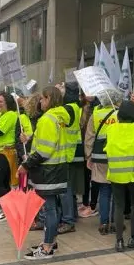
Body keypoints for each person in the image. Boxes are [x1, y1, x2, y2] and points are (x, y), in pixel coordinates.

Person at [20, 87, 68, 260]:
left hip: (48, 170)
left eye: (42, 99)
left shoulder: (47, 119)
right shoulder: (60, 118)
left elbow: (45, 149)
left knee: (49, 209)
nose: (40, 102)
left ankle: (47, 247)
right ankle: (51, 242)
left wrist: (27, 164)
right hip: (58, 167)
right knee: (53, 207)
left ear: (49, 99)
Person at [104, 100, 134, 252]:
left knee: (119, 205)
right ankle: (133, 238)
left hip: (116, 173)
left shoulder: (110, 129)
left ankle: (119, 241)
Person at [84, 89, 123, 235]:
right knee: (115, 191)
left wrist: (89, 156)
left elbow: (89, 137)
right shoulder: (120, 114)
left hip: (99, 156)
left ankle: (103, 222)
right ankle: (114, 222)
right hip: (116, 156)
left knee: (104, 191)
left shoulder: (96, 114)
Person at [55, 82, 84, 234]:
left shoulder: (68, 108)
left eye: (62, 88)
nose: (59, 89)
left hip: (66, 153)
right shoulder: (74, 107)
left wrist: (56, 96)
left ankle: (68, 220)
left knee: (64, 189)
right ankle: (71, 215)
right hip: (70, 151)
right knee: (68, 188)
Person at [0, 93, 20, 223]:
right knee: (2, 183)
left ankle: (8, 210)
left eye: (1, 102)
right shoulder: (1, 115)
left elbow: (0, 131)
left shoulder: (11, 115)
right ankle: (5, 208)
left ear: (8, 103)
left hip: (5, 153)